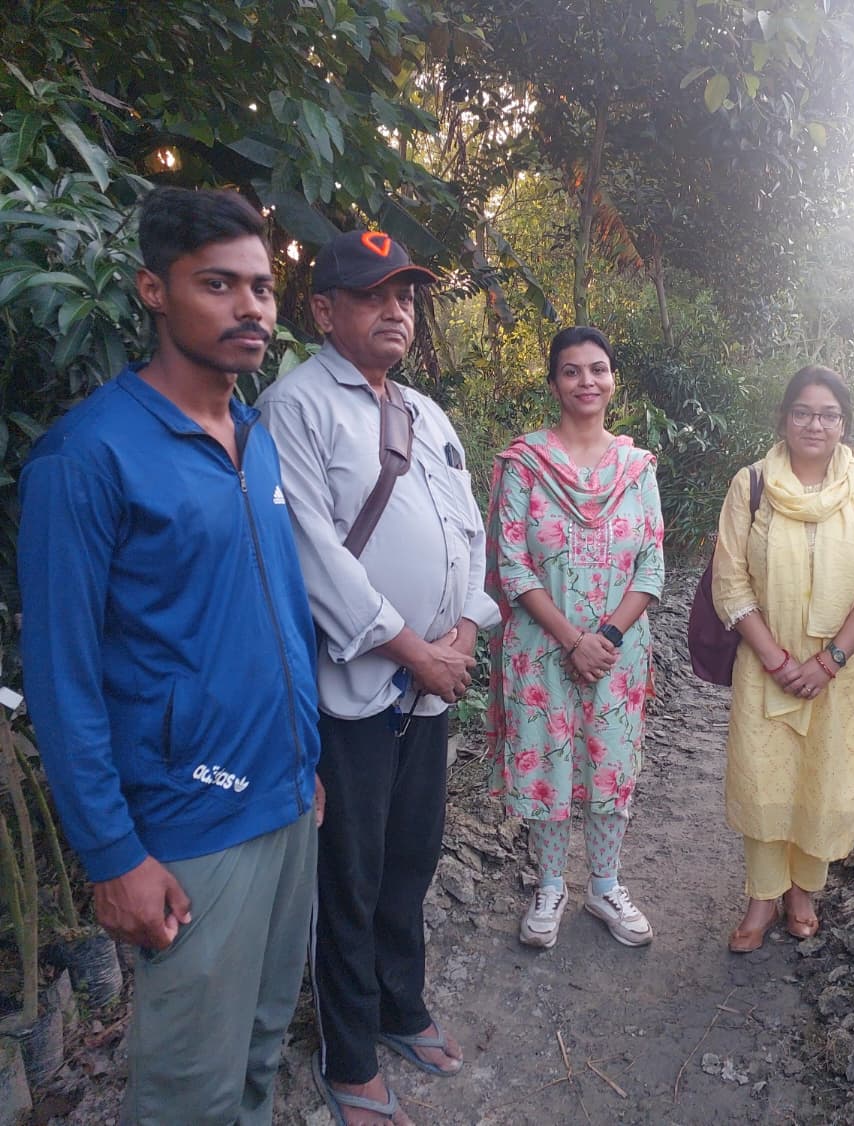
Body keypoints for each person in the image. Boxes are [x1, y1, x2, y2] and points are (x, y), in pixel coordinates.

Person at [17, 187, 322, 1125]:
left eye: (263, 288)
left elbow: (284, 618)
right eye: (218, 285)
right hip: (191, 824)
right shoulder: (88, 458)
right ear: (153, 290)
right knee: (191, 1089)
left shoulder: (257, 439)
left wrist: (308, 766)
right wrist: (114, 857)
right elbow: (61, 680)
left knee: (263, 1051)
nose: (251, 310)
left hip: (286, 802)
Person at [258, 230, 496, 1126]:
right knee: (349, 880)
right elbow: (314, 557)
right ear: (324, 311)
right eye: (372, 294)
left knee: (412, 861)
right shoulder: (297, 408)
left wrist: (464, 630)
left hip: (430, 687)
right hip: (354, 696)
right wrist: (417, 650)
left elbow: (468, 533)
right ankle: (350, 1053)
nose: (396, 308)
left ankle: (405, 1010)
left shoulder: (427, 413)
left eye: (406, 294)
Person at [711, 366, 854, 953]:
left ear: (843, 423)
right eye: (802, 412)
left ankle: (804, 892)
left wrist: (828, 661)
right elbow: (731, 581)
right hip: (767, 665)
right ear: (784, 417)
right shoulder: (752, 486)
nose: (814, 424)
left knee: (825, 780)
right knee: (765, 777)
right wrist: (775, 659)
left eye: (828, 415)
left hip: (841, 674)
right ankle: (762, 897)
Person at [486, 326, 665, 950]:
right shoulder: (524, 465)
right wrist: (570, 638)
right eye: (571, 370)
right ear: (555, 382)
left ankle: (606, 884)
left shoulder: (636, 468)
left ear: (612, 379)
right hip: (542, 647)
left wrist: (607, 634)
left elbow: (652, 566)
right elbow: (512, 563)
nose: (586, 381)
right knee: (548, 764)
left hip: (618, 652)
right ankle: (551, 884)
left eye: (598, 368)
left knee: (609, 762)